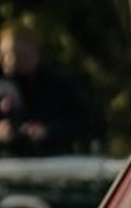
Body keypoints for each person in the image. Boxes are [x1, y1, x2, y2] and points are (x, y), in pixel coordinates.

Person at [0, 25, 100, 154]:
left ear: (33, 53)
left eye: (15, 54)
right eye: (3, 55)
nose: (8, 61)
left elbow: (84, 124)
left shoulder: (60, 85)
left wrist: (48, 131)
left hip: (54, 159)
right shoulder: (4, 87)